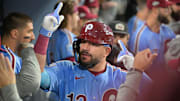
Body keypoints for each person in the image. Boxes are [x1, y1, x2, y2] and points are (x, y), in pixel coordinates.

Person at [40, 21, 156, 101]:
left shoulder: (120, 76)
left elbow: (157, 92)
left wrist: (135, 69)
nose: (85, 47)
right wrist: (45, 34)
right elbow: (38, 78)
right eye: (83, 42)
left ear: (106, 51)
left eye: (93, 44)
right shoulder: (65, 70)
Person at [128, 0, 176, 76]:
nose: (170, 11)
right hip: (150, 84)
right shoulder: (141, 36)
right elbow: (137, 70)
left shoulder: (167, 30)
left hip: (167, 81)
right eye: (166, 8)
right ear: (155, 10)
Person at [0, 12, 41, 98]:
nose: (33, 37)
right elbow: (22, 89)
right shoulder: (6, 58)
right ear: (15, 34)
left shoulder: (12, 56)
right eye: (29, 32)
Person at [46, 0, 79, 65]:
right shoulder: (67, 36)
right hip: (63, 74)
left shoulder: (52, 34)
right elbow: (71, 63)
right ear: (69, 17)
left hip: (51, 72)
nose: (78, 18)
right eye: (77, 15)